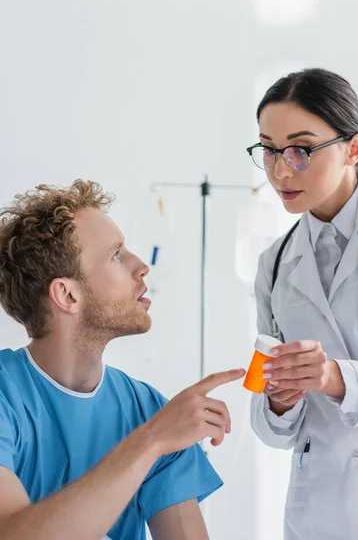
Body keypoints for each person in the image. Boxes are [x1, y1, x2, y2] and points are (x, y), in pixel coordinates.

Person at [0, 180, 245, 540]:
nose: (142, 266)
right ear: (67, 294)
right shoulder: (7, 396)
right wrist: (150, 442)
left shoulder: (150, 410)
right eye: (116, 255)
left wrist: (157, 435)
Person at [247, 68, 358, 540]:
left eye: (300, 149)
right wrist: (278, 401)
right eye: (269, 149)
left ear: (354, 147)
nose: (280, 170)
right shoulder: (274, 265)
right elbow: (269, 423)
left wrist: (336, 378)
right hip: (322, 514)